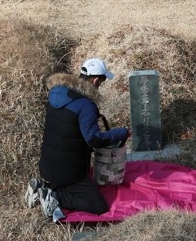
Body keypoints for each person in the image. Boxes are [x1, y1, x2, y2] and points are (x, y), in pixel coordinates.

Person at [25, 58, 130, 221]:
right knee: (98, 205)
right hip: (68, 173)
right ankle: (54, 196)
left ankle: (44, 186)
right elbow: (94, 139)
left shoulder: (57, 90)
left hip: (47, 165)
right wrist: (122, 132)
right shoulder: (85, 105)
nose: (100, 85)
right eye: (101, 81)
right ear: (95, 80)